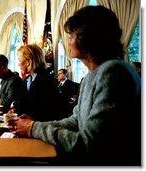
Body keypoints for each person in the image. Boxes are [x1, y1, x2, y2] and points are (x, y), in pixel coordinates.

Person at [9, 6, 141, 165]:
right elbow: (75, 120)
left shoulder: (113, 72)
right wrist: (34, 125)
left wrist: (33, 128)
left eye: (71, 35)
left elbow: (89, 144)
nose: (68, 41)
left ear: (87, 38)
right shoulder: (93, 74)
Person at [17, 44, 59, 121]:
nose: (18, 64)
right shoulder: (26, 80)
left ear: (28, 62)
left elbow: (49, 112)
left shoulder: (46, 81)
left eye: (19, 60)